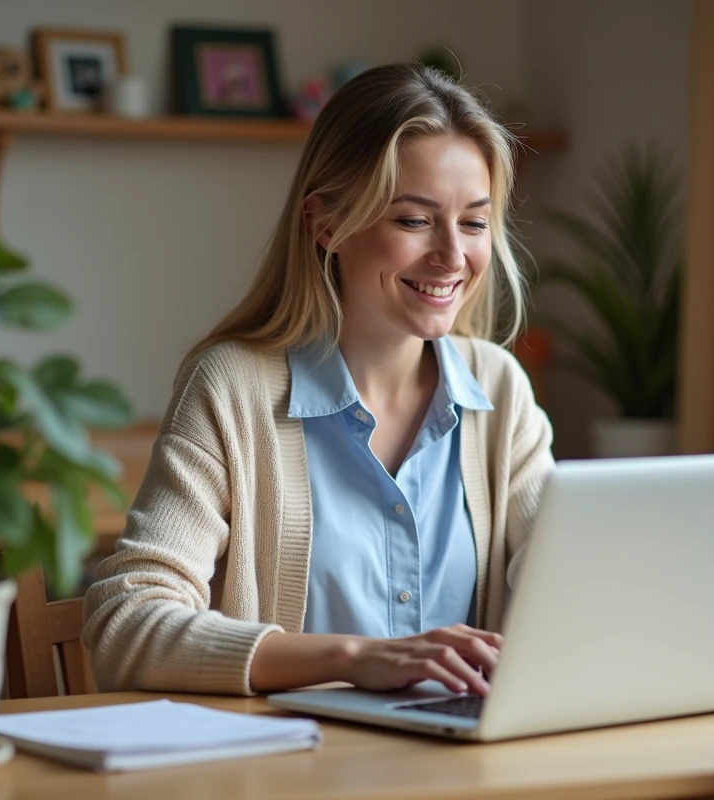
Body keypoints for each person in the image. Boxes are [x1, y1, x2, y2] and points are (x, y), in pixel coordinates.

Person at [82, 62, 555, 698]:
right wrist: (356, 657)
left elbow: (565, 579)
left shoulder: (499, 389)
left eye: (473, 222)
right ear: (327, 224)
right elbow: (125, 624)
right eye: (414, 220)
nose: (452, 255)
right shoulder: (231, 388)